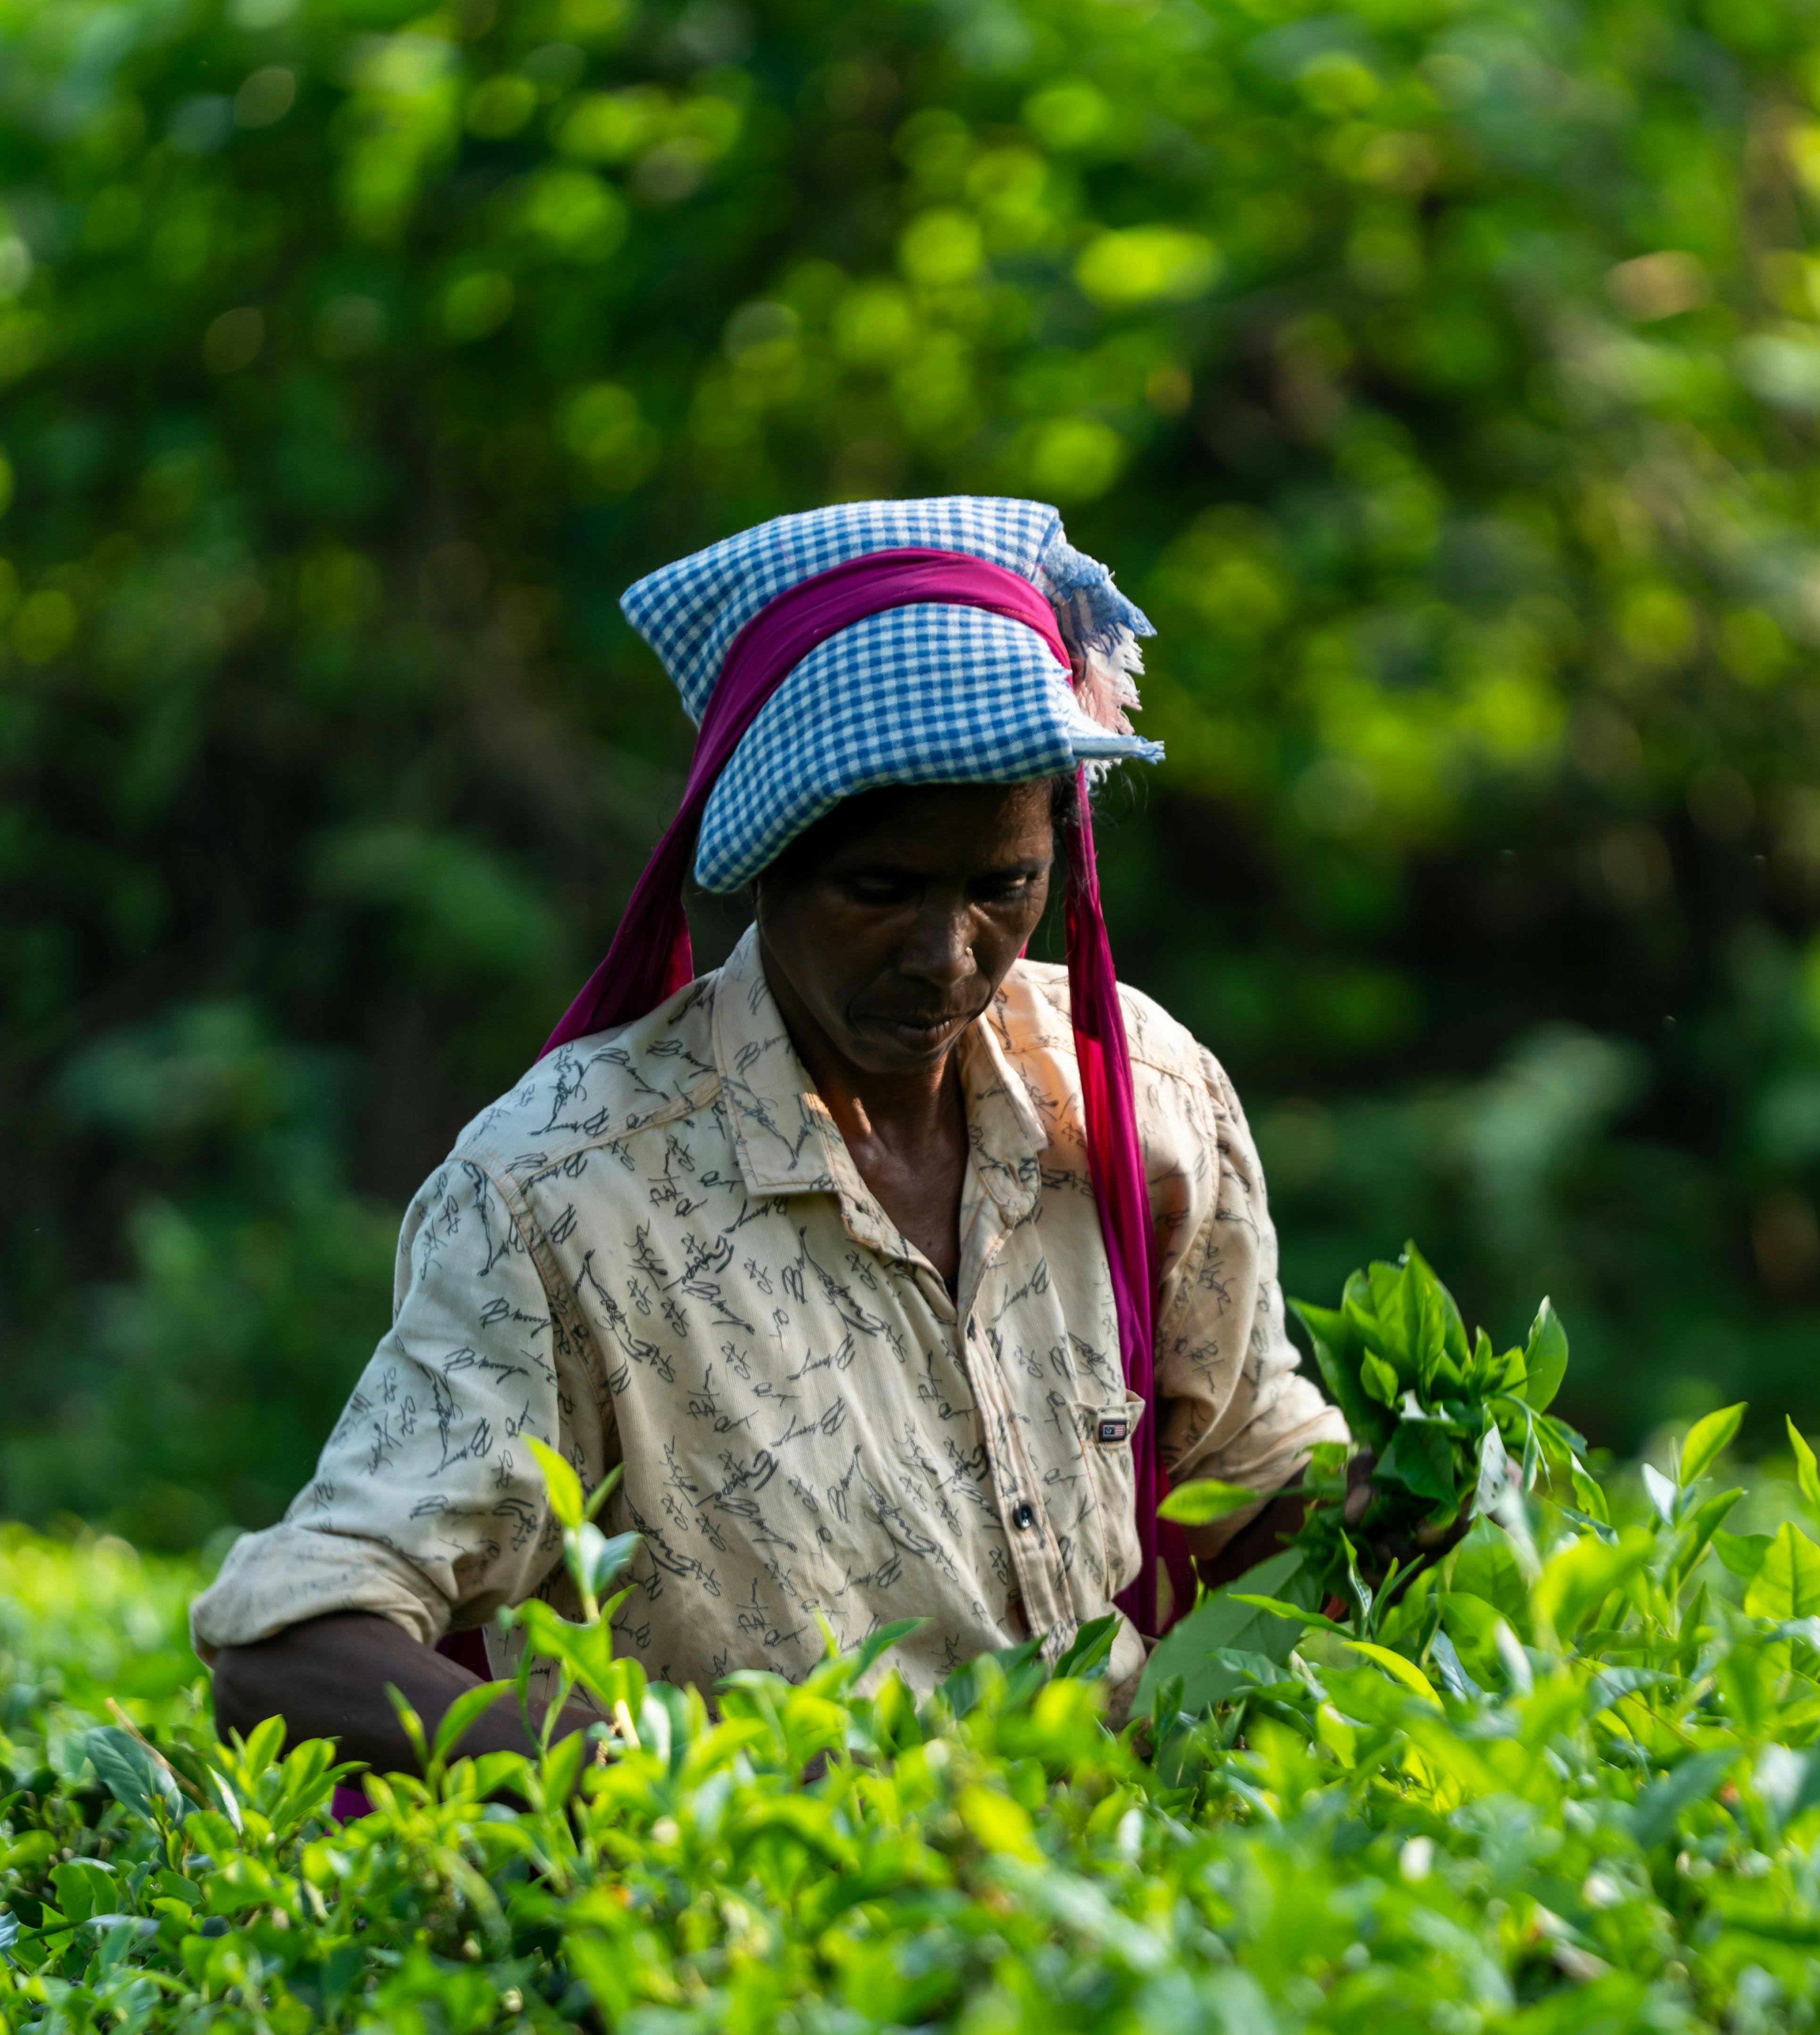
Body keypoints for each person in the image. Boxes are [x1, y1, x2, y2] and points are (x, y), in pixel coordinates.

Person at [193, 498, 1346, 1777]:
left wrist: (1412, 1499)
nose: (945, 953)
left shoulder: (1143, 1100)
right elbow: (289, 1647)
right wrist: (628, 1785)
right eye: (880, 891)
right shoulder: (566, 1194)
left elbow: (1246, 1485)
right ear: (764, 865)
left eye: (1001, 887)